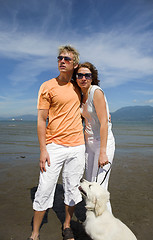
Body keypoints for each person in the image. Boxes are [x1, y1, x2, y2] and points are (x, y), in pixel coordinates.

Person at [28, 46, 85, 240]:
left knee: (71, 188)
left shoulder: (79, 85)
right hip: (54, 146)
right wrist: (43, 150)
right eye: (60, 58)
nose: (62, 61)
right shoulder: (47, 86)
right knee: (44, 189)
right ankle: (35, 233)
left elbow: (91, 103)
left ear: (74, 64)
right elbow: (40, 120)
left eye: (67, 59)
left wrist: (105, 115)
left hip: (77, 146)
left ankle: (67, 225)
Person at [75, 62, 115, 213]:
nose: (83, 78)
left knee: (100, 190)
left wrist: (103, 152)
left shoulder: (96, 92)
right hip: (89, 145)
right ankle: (95, 222)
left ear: (93, 78)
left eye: (87, 75)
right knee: (90, 185)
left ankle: (108, 229)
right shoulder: (81, 96)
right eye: (80, 75)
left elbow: (104, 123)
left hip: (102, 144)